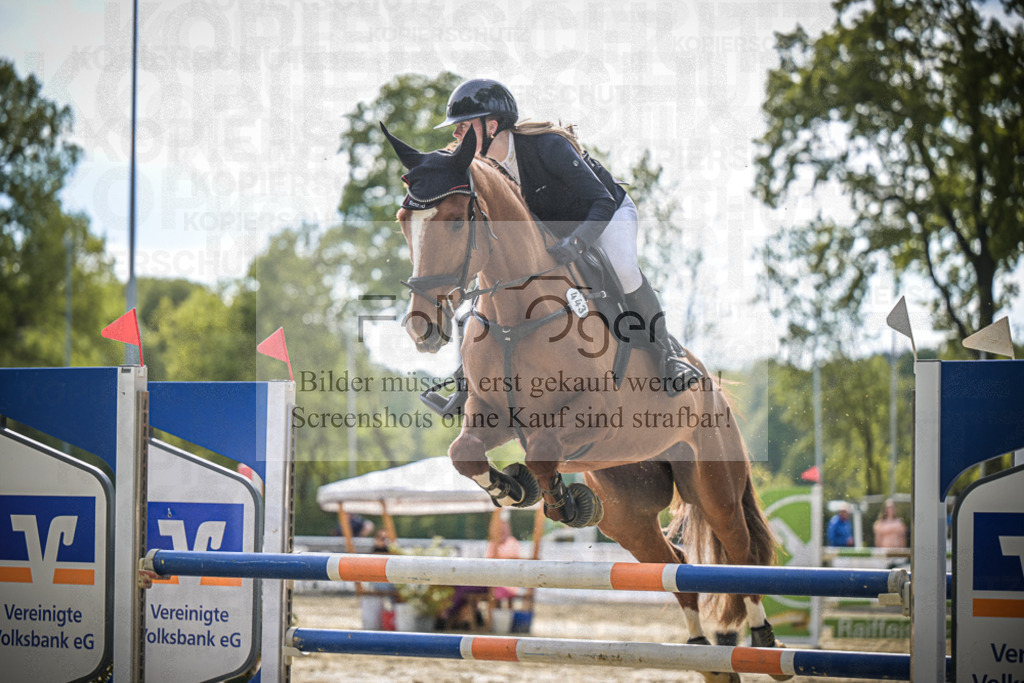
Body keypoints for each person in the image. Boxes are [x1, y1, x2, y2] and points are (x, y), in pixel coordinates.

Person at [434, 78, 700, 395]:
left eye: (463, 126)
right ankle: (471, 379)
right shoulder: (483, 170)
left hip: (604, 213)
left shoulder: (547, 146)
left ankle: (668, 357)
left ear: (491, 126)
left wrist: (578, 242)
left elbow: (601, 201)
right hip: (553, 230)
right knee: (488, 282)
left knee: (623, 268)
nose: (455, 134)